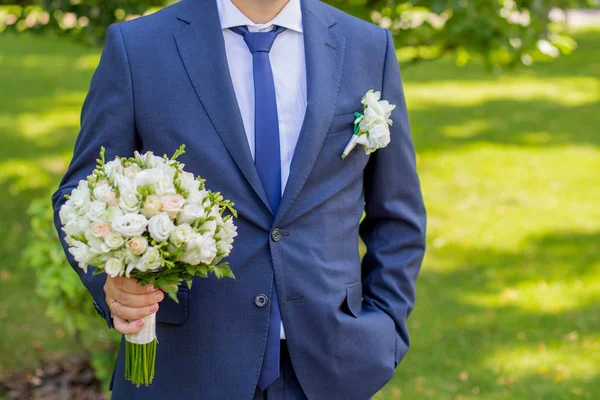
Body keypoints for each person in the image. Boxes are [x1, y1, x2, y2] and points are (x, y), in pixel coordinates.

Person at [51, 0, 426, 398]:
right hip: (185, 367)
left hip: (328, 365)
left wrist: (386, 327)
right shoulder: (138, 47)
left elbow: (396, 215)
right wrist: (113, 282)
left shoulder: (368, 45)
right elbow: (82, 192)